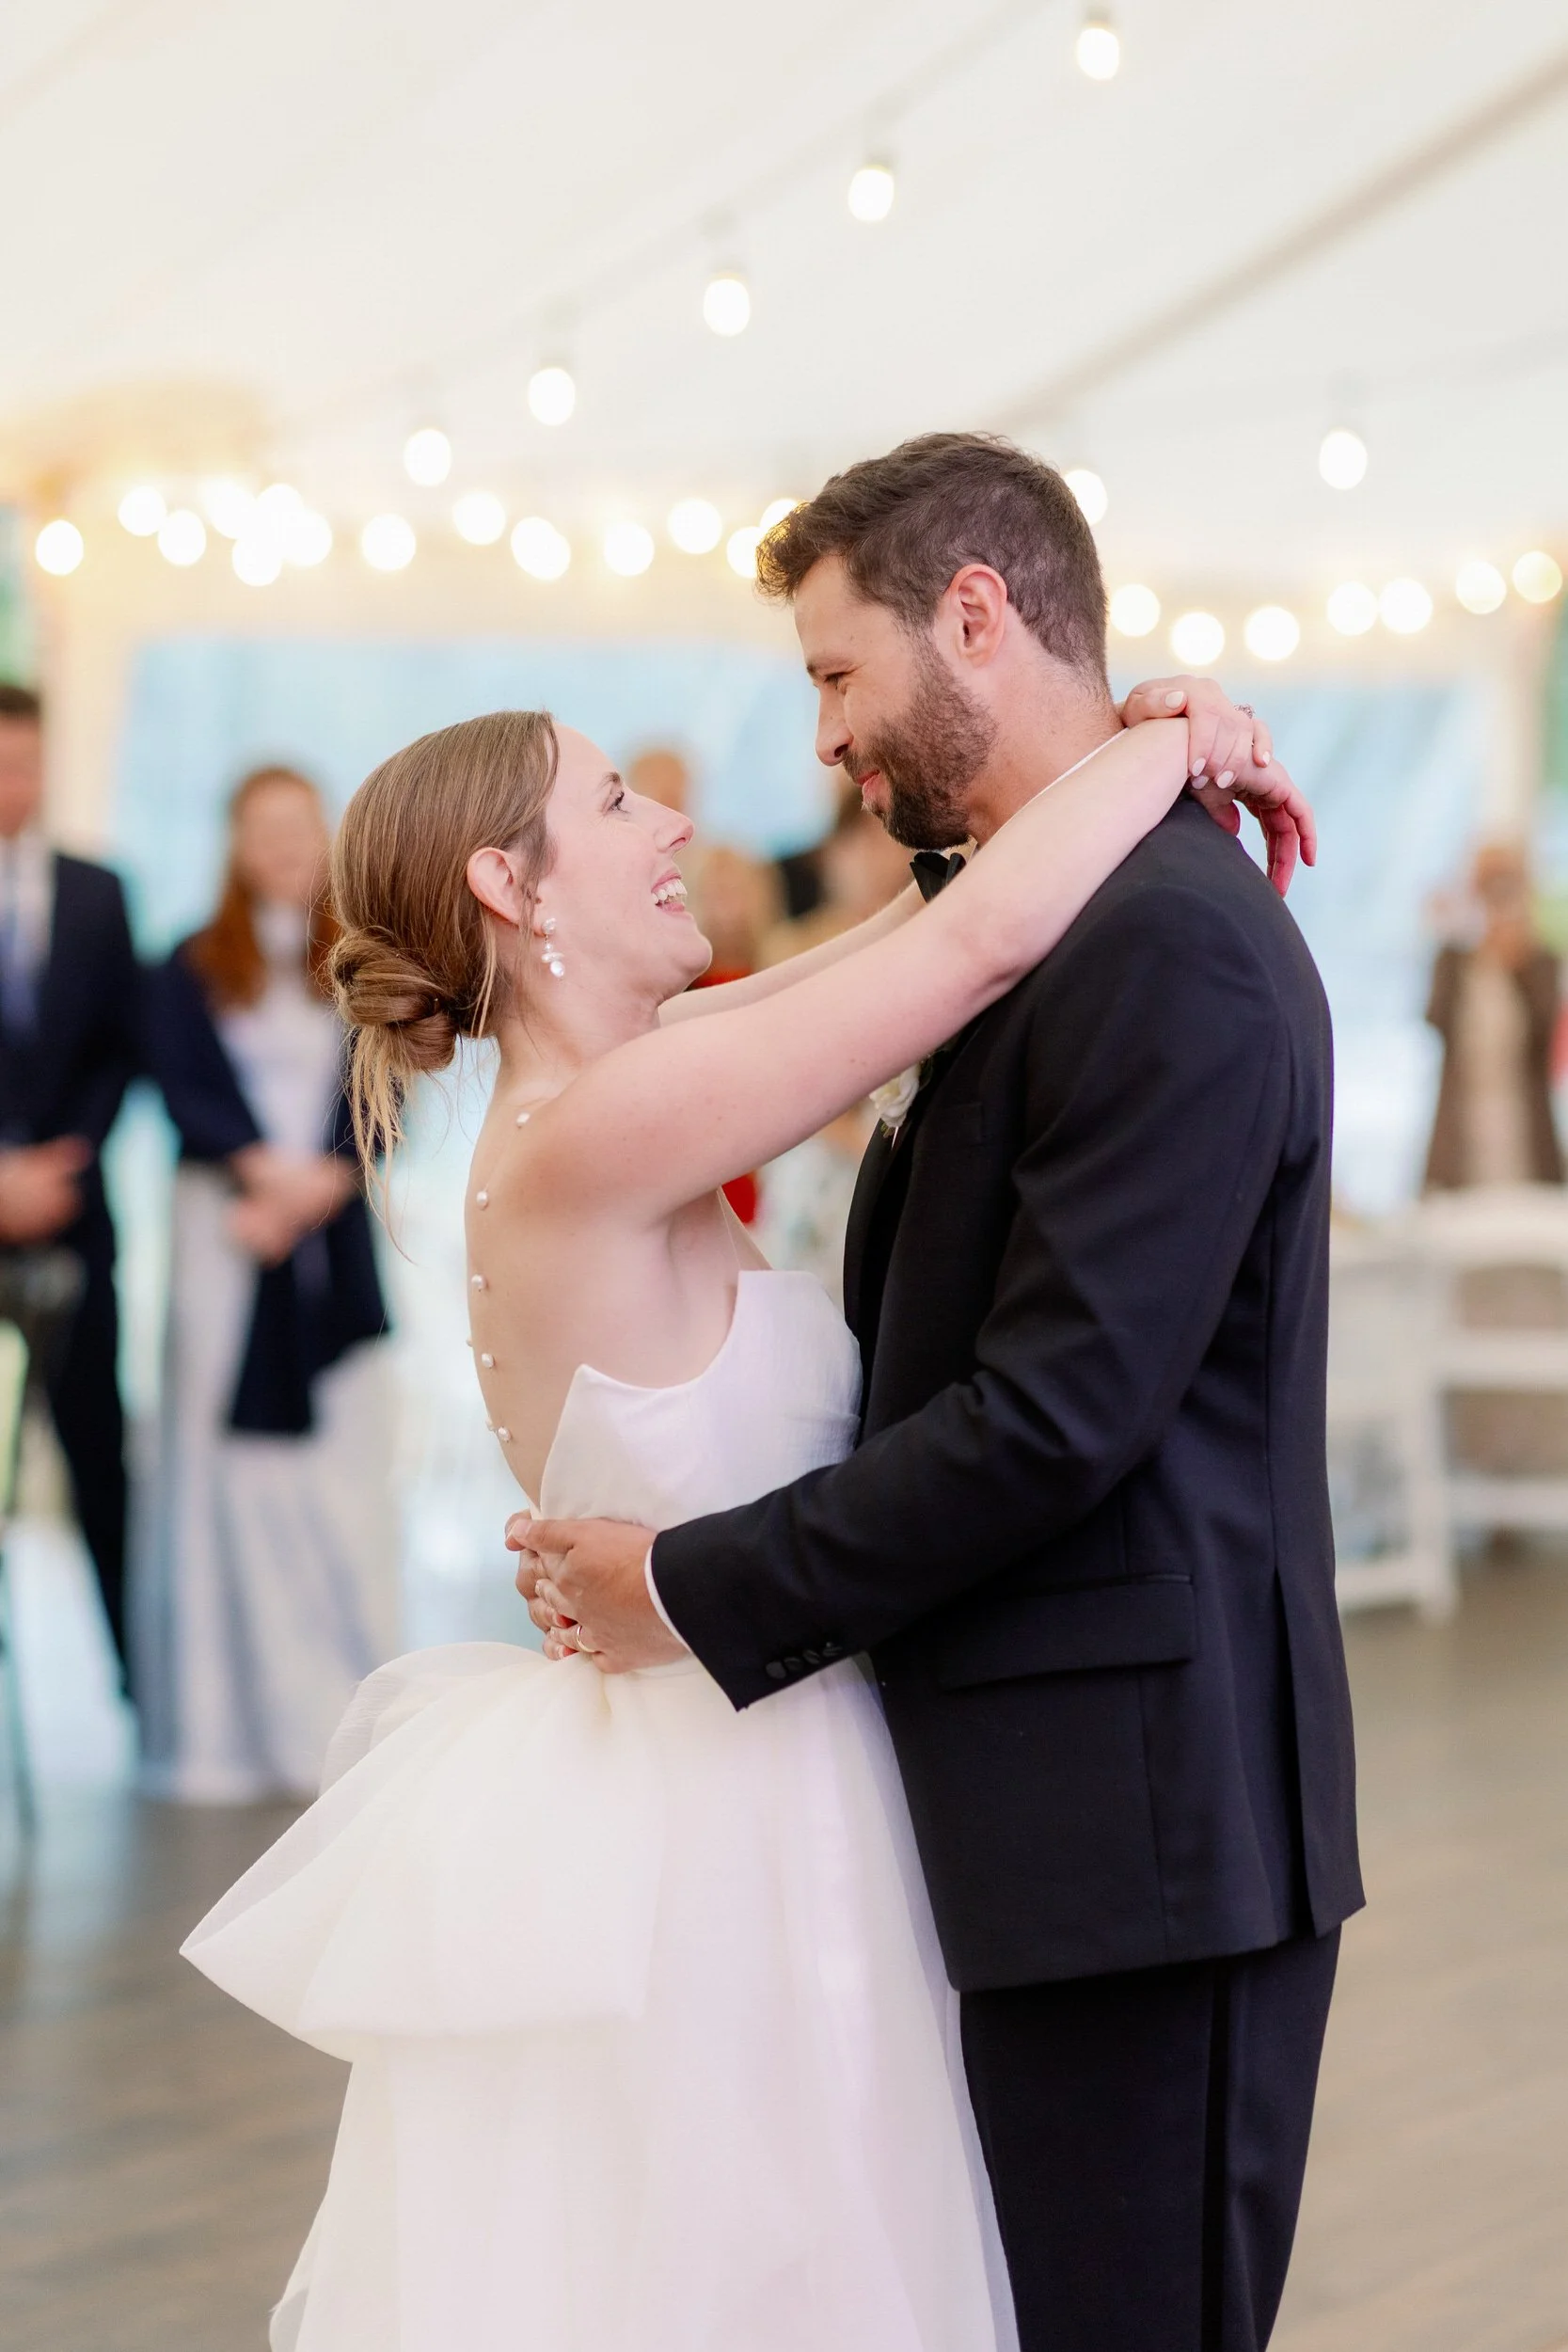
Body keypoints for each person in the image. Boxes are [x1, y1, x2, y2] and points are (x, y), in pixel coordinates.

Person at [180, 629, 1307, 2347]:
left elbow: (908, 933)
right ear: (511, 881)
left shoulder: (614, 1095)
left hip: (763, 1744)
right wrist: (1171, 736)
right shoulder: (594, 1131)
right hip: (744, 1797)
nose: (673, 824)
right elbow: (983, 943)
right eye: (618, 799)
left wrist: (1128, 742)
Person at [515, 437, 1359, 2352]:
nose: (817, 737)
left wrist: (694, 1580)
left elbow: (1055, 1416)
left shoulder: (1162, 948)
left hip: (1143, 1841)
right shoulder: (1034, 913)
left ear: (970, 612)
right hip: (1035, 1826)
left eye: (833, 671)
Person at [136, 766, 397, 1802]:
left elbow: (384, 1091)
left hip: (326, 1232)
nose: (284, 845)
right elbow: (181, 1085)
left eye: (300, 827)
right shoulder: (189, 966)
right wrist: (258, 1173)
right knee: (223, 1473)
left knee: (336, 1476)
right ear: (235, 842)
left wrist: (317, 1185)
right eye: (263, 829)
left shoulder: (362, 960)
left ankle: (337, 1717)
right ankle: (223, 1728)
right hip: (226, 1234)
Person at [0, 681, 139, 1683]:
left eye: (27, 763)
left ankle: (134, 1678)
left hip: (74, 1208)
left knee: (99, 1447)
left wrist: (55, 1169)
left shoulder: (97, 890)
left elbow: (117, 1050)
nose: (16, 785)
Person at [1423, 840, 1563, 1189]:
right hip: (1461, 1134)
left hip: (1525, 1135)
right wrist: (1454, 930)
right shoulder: (1454, 961)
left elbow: (1548, 1036)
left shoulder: (1539, 963)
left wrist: (1518, 955)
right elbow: (1434, 1020)